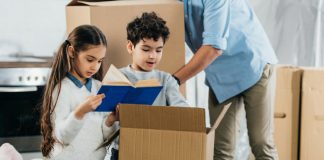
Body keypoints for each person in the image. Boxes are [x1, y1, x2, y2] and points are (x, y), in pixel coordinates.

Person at [173, 0, 279, 159]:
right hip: (220, 74)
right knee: (221, 148)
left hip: (252, 64)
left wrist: (174, 80)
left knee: (261, 142)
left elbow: (213, 48)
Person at [104, 12, 189, 160]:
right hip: (123, 150)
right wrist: (112, 118)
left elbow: (184, 113)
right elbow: (103, 122)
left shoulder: (166, 80)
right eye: (146, 49)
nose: (153, 56)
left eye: (158, 50)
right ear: (130, 47)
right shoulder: (117, 78)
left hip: (156, 149)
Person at [40, 25, 118, 160]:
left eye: (99, 61)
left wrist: (110, 120)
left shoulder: (99, 87)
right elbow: (62, 137)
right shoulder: (62, 89)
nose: (95, 66)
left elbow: (104, 137)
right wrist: (80, 112)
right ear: (72, 52)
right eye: (90, 59)